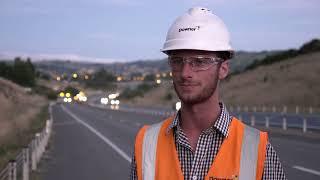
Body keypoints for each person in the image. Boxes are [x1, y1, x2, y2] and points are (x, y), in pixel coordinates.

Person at [130, 7, 286, 180]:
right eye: (177, 61)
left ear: (223, 69)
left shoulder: (258, 150)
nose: (185, 73)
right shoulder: (147, 143)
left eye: (199, 61)